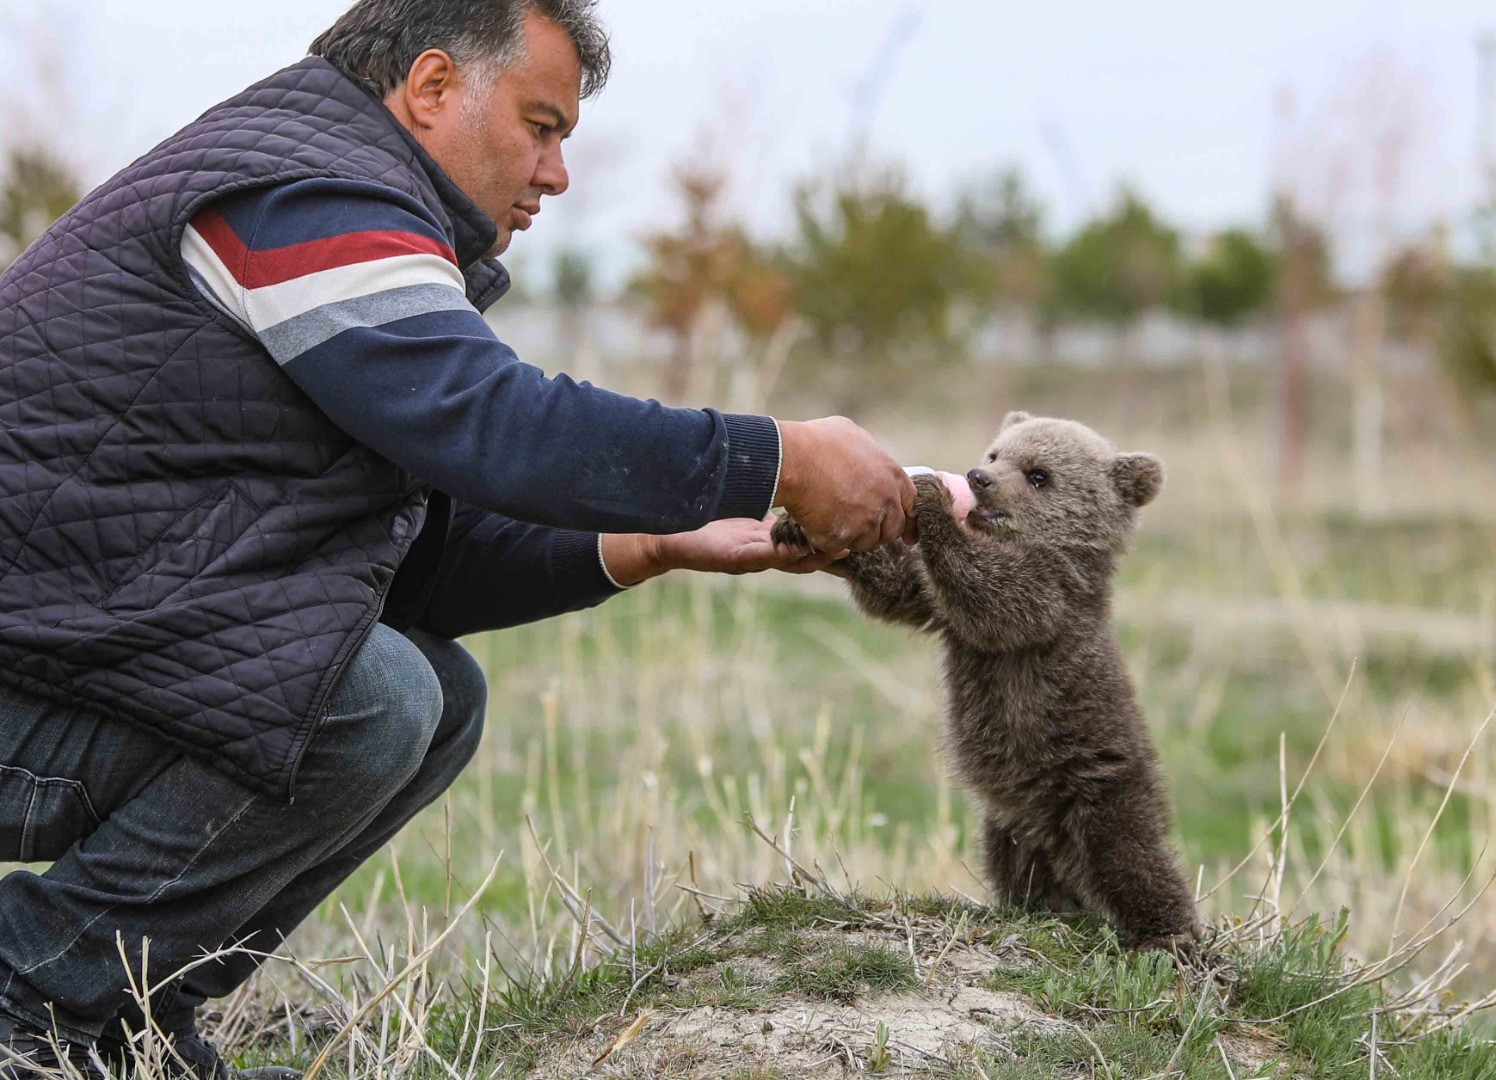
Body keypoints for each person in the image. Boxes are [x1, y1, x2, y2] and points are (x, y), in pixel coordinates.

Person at [0, 1, 915, 1074]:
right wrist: (776, 455)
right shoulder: (303, 198)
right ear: (431, 88)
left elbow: (402, 563)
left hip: (58, 672)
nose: (557, 173)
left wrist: (651, 543)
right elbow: (493, 425)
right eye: (541, 124)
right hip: (28, 689)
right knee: (374, 698)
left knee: (434, 698)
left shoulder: (334, 204)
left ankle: (125, 1020)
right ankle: (29, 999)